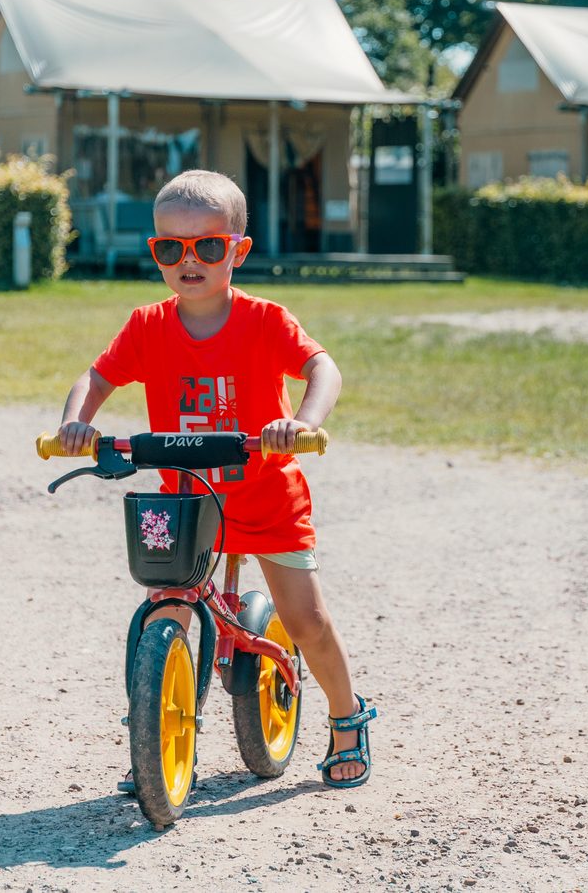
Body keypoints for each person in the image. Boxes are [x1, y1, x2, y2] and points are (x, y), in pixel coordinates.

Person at [55, 169, 376, 788]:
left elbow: (321, 367)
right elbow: (95, 379)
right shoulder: (148, 325)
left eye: (207, 245)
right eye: (170, 248)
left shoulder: (263, 320)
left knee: (305, 620)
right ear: (156, 253)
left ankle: (346, 716)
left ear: (238, 250)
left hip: (267, 493)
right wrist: (76, 423)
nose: (189, 260)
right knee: (161, 607)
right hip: (189, 501)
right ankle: (152, 734)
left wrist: (301, 421)